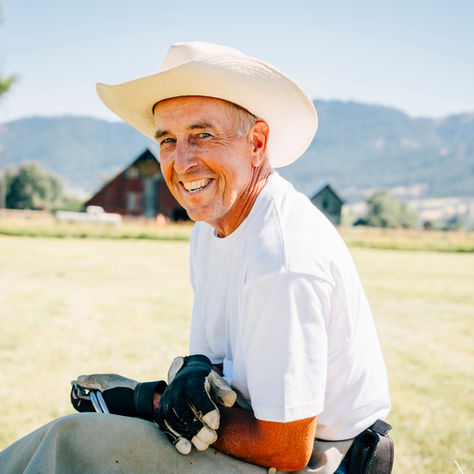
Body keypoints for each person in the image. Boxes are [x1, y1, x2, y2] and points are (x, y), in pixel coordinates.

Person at [0, 41, 392, 473]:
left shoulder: (281, 256)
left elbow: (285, 446)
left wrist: (147, 406)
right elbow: (213, 366)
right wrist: (173, 384)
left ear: (257, 143)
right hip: (265, 439)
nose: (181, 162)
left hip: (321, 460)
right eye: (167, 139)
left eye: (203, 134)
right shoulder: (210, 230)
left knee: (70, 444)